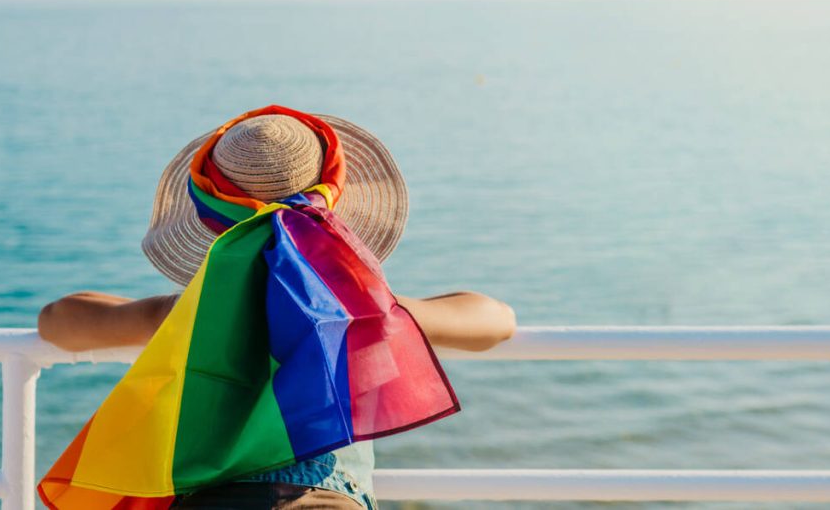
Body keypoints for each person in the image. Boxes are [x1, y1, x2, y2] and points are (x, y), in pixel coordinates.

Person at [37, 108, 517, 510]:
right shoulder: (368, 315)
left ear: (211, 223)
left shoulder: (182, 314)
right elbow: (495, 319)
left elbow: (58, 320)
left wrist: (165, 308)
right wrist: (388, 304)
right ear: (334, 217)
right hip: (327, 499)